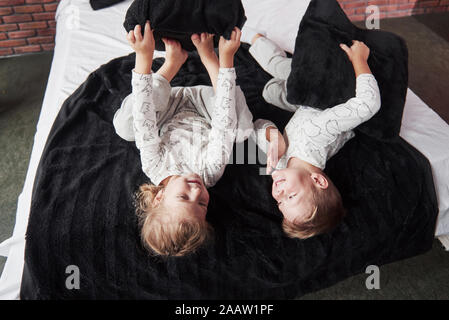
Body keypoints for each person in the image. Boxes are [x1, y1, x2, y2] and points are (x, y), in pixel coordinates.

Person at [113, 21, 252, 256]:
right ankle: (208, 57)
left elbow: (145, 119)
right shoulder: (211, 171)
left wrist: (144, 58)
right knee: (241, 132)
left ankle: (172, 63)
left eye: (183, 197)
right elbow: (223, 123)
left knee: (126, 126)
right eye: (201, 204)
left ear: (159, 197)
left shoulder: (154, 166)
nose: (197, 191)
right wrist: (222, 58)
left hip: (169, 104)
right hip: (204, 105)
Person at [242, 27, 381, 239]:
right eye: (292, 196)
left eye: (280, 202)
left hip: (305, 109)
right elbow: (367, 105)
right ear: (318, 181)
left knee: (269, 92)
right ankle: (252, 34)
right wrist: (360, 59)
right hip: (326, 90)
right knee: (277, 67)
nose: (279, 193)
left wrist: (273, 137)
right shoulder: (317, 134)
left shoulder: (280, 166)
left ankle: (285, 84)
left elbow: (256, 127)